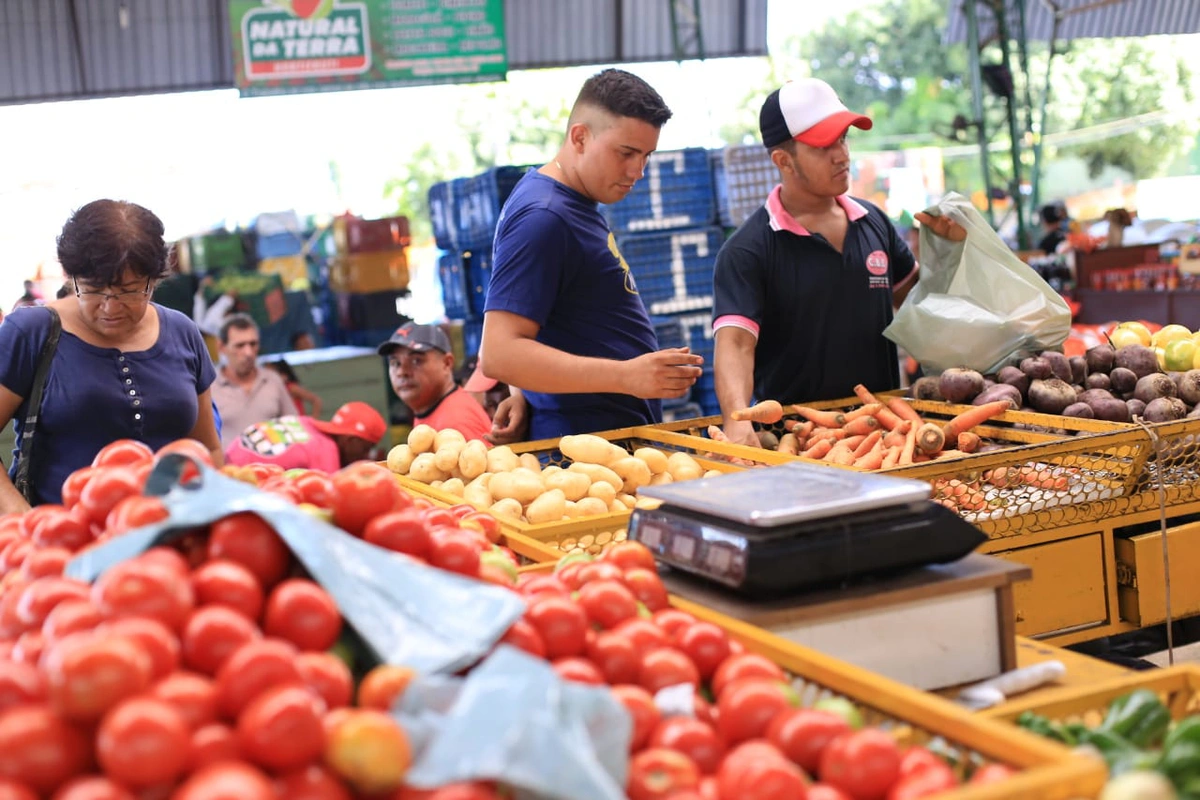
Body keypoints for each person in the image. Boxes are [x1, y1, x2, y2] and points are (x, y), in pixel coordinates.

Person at [712, 78, 964, 447]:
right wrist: (736, 419)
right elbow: (735, 344)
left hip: (887, 437)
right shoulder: (748, 250)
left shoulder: (874, 223)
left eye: (843, 138)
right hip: (798, 442)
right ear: (784, 160)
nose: (842, 154)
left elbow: (920, 310)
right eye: (823, 145)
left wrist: (948, 252)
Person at [479, 68, 703, 441]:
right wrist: (626, 376)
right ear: (579, 137)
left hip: (604, 442)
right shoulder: (545, 216)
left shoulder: (569, 202)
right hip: (584, 451)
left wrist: (521, 390)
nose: (638, 171)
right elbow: (499, 353)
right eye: (626, 153)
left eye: (646, 155)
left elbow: (536, 312)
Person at [0, 199, 222, 511]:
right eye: (92, 289)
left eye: (130, 290)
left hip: (167, 537)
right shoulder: (31, 332)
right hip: (60, 541)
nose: (110, 307)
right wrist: (19, 514)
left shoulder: (182, 333)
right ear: (71, 276)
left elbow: (207, 448)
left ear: (154, 280)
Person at [378, 324, 492, 442]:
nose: (402, 372)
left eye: (416, 360)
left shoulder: (454, 423)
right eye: (395, 363)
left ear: (446, 363)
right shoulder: (434, 410)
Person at [210, 314, 298, 450]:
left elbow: (295, 427)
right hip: (227, 469)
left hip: (274, 468)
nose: (248, 352)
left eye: (253, 344)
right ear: (221, 347)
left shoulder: (272, 380)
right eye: (240, 346)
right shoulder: (209, 386)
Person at [224, 400, 386, 472]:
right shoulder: (326, 455)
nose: (366, 456)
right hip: (242, 482)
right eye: (366, 448)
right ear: (351, 440)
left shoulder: (306, 423)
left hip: (226, 461)